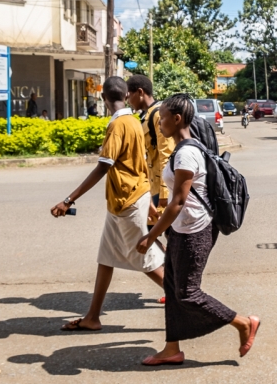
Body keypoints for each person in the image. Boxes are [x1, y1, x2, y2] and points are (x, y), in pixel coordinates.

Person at [135, 94, 260, 365]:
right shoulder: (181, 150)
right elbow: (176, 199)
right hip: (182, 228)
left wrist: (151, 235)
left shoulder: (188, 153)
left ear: (177, 119)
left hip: (196, 229)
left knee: (188, 293)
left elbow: (179, 202)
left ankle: (242, 323)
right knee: (171, 285)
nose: (159, 122)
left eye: (163, 117)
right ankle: (171, 349)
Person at [50, 77, 165, 332]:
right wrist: (148, 201)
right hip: (127, 201)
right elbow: (142, 163)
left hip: (128, 202)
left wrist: (69, 200)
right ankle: (93, 317)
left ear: (103, 99)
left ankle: (192, 303)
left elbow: (104, 166)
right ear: (126, 96)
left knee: (146, 262)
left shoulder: (119, 125)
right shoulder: (134, 121)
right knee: (106, 258)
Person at [126, 74, 174, 239]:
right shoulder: (146, 116)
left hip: (161, 189)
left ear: (140, 92)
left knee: (149, 235)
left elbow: (166, 155)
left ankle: (166, 265)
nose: (128, 100)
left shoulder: (158, 114)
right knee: (149, 234)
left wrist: (164, 194)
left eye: (129, 95)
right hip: (151, 187)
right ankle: (167, 264)